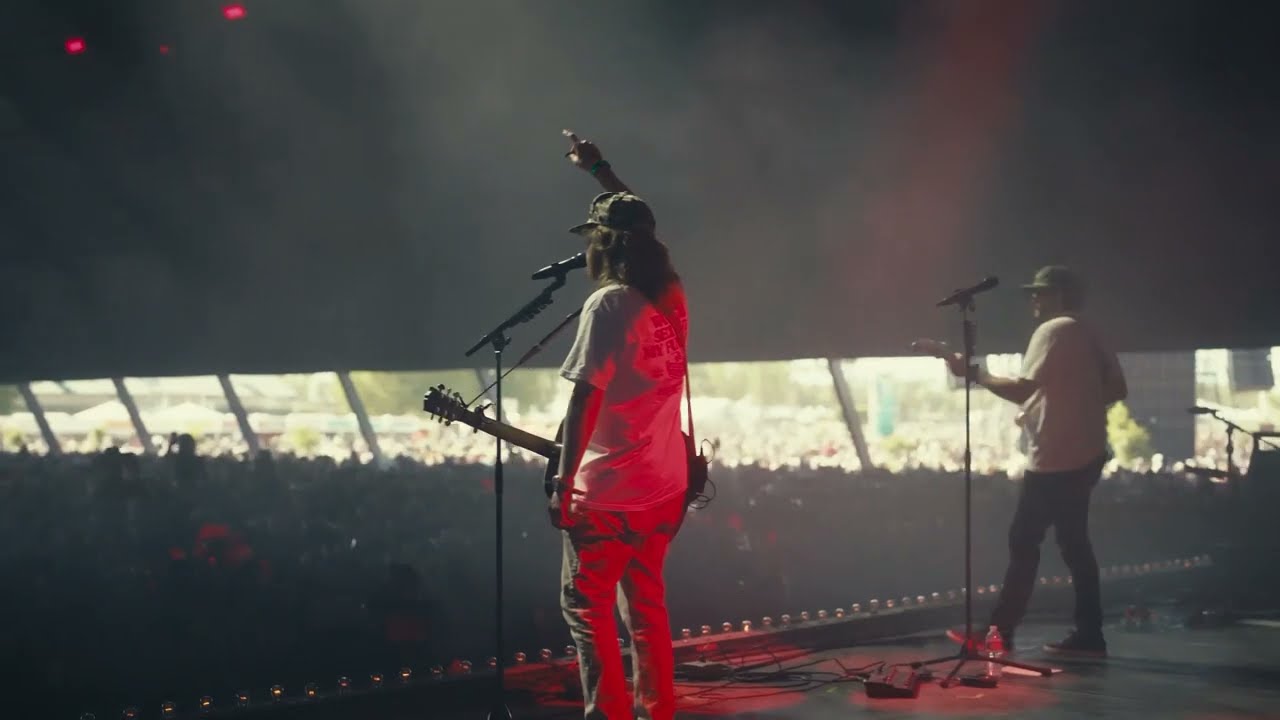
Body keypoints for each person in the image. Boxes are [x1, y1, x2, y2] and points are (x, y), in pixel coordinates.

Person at [549, 130, 689, 720]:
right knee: (647, 610)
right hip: (662, 488)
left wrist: (563, 484)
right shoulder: (671, 295)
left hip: (608, 496)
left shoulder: (607, 305)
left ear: (605, 244)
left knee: (588, 610)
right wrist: (600, 170)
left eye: (593, 237)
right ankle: (657, 710)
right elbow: (642, 221)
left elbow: (584, 401)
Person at [942, 266, 1126, 658]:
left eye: (1040, 293)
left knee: (1024, 540)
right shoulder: (1089, 330)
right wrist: (1072, 406)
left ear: (1058, 295)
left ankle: (999, 633)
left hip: (1055, 458)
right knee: (1075, 544)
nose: (1033, 300)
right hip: (1086, 453)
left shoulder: (1053, 330)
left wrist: (974, 373)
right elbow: (1117, 388)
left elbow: (1021, 389)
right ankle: (1089, 634)